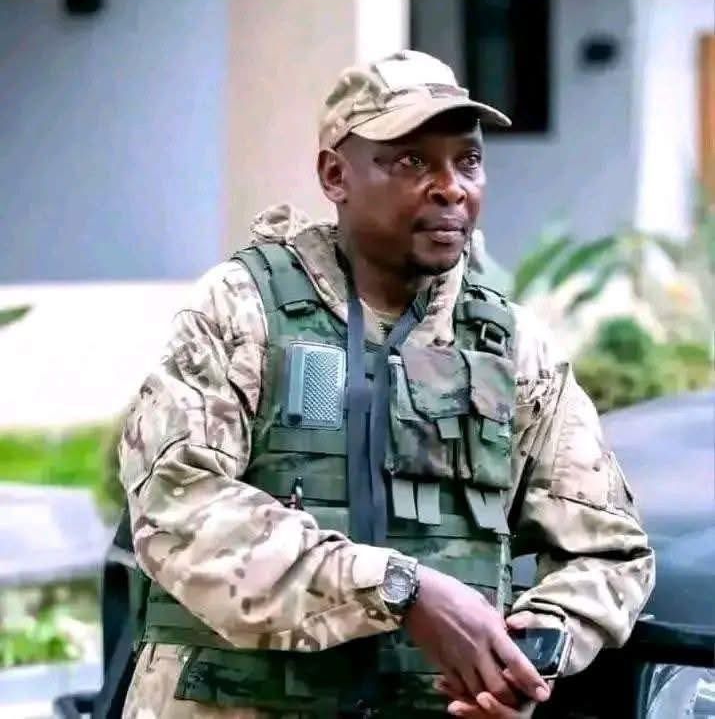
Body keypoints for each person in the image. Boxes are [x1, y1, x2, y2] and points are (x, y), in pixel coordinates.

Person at [117, 50, 655, 718]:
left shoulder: (512, 347)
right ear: (335, 174)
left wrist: (525, 656)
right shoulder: (241, 309)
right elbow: (178, 508)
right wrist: (399, 589)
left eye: (467, 161)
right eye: (411, 162)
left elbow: (608, 551)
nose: (450, 188)